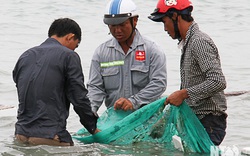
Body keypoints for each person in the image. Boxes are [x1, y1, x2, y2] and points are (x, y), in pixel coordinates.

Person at [148, 0, 227, 146]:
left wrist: (183, 94)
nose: (165, 28)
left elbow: (218, 81)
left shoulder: (199, 42)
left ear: (175, 16)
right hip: (197, 119)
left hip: (209, 121)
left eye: (164, 22)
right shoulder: (188, 42)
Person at [13, 18, 100, 146]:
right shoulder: (69, 56)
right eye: (76, 46)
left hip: (20, 134)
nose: (74, 50)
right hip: (50, 136)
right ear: (70, 37)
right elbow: (79, 98)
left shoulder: (25, 56)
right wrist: (93, 128)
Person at [88, 0, 167, 114]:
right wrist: (90, 112)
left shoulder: (152, 50)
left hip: (148, 117)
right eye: (113, 26)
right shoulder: (101, 53)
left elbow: (159, 83)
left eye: (122, 25)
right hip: (116, 121)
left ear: (135, 21)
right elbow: (95, 88)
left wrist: (133, 101)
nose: (117, 30)